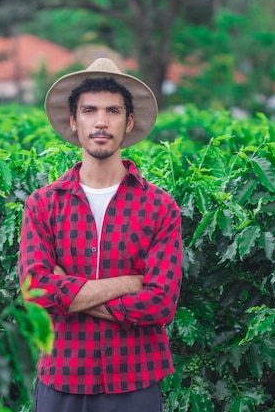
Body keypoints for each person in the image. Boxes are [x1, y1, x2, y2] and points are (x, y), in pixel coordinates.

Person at [18, 57, 182, 412]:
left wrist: (70, 295)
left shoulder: (160, 207)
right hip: (62, 377)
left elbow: (161, 303)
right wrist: (129, 283)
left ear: (129, 122)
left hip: (135, 381)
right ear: (74, 121)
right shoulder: (43, 205)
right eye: (90, 110)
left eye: (113, 111)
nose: (101, 122)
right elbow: (36, 290)